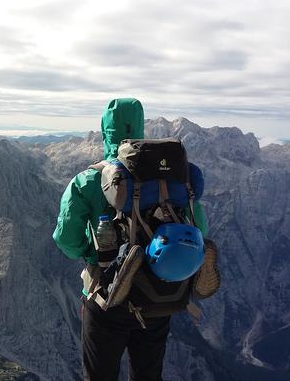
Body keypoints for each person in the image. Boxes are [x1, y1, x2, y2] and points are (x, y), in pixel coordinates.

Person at [52, 98, 211, 381]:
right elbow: (201, 228)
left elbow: (66, 239)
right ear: (140, 127)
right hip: (160, 291)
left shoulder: (89, 180)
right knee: (148, 374)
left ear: (104, 130)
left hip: (106, 296)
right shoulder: (173, 178)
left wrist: (94, 254)